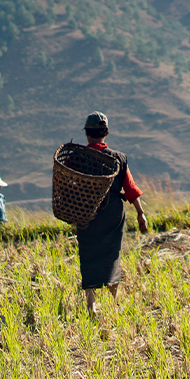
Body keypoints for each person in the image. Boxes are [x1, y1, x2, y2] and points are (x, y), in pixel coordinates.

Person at [74, 112, 147, 316]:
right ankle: (114, 301)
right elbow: (130, 188)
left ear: (87, 134)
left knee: (88, 254)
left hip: (86, 213)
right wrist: (141, 213)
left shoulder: (77, 157)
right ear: (105, 133)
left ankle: (91, 305)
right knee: (112, 253)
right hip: (112, 214)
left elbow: (67, 186)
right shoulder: (118, 158)